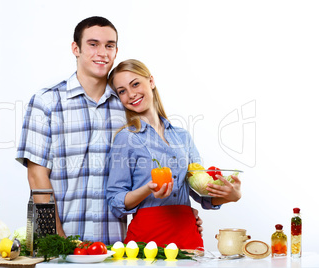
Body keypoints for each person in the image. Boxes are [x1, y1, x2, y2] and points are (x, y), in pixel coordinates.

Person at [16, 16, 203, 245]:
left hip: (115, 245)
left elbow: (155, 165)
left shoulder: (128, 105)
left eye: (109, 45)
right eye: (93, 44)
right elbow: (37, 176)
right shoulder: (46, 102)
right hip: (61, 237)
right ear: (76, 48)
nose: (102, 52)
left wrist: (178, 214)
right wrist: (55, 239)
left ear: (116, 51)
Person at [106, 59, 242, 250]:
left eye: (135, 84)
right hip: (147, 239)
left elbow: (203, 195)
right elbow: (115, 201)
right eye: (122, 91)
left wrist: (231, 196)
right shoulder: (125, 138)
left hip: (188, 235)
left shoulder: (182, 137)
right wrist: (148, 189)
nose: (131, 94)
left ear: (151, 81)